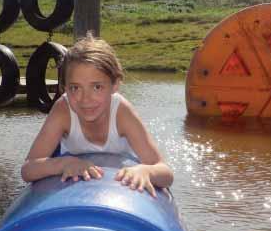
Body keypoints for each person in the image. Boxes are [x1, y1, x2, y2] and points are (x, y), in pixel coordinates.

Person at [21, 33, 173, 197]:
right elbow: (28, 169)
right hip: (76, 189)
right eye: (75, 88)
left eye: (97, 87)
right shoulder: (63, 110)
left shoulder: (121, 112)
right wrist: (63, 164)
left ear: (115, 85)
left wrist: (146, 171)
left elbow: (165, 172)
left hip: (118, 187)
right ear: (64, 88)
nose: (85, 99)